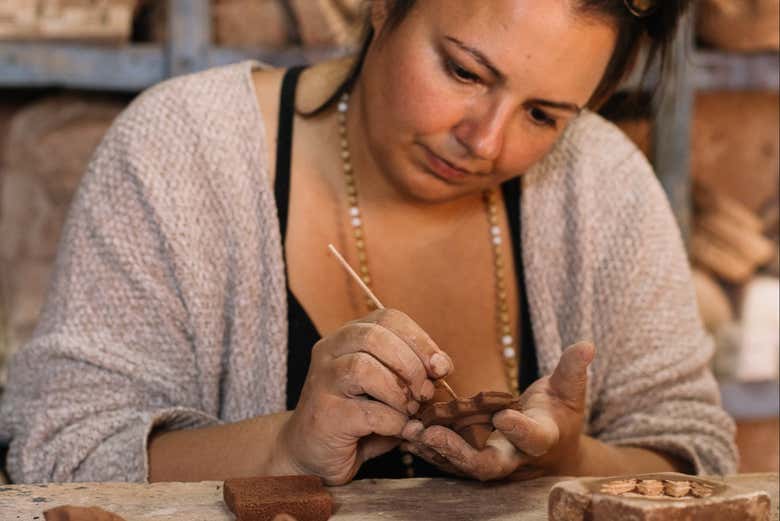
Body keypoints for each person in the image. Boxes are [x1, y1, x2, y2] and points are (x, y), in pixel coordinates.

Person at [0, 0, 737, 486]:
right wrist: (286, 448)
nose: (484, 141)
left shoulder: (599, 178)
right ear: (383, 3)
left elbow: (694, 452)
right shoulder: (184, 149)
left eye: (544, 115)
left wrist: (569, 460)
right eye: (462, 71)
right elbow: (57, 451)